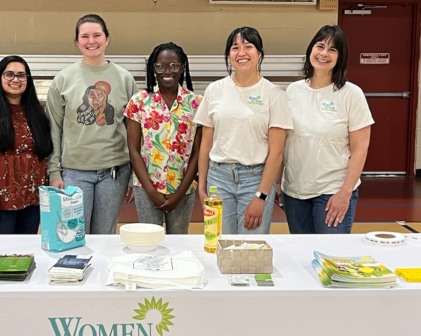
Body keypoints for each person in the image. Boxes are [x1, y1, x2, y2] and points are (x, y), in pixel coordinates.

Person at [195, 27, 293, 235]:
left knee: (251, 249)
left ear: (259, 54)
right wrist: (202, 188)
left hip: (255, 179)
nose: (241, 53)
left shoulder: (274, 94)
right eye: (235, 48)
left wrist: (261, 196)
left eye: (248, 47)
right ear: (228, 55)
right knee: (219, 245)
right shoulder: (215, 90)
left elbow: (276, 152)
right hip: (218, 179)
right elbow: (206, 143)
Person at [46, 14, 138, 235]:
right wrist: (54, 172)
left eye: (97, 35)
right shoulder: (63, 79)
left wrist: (134, 174)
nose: (91, 41)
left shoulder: (125, 79)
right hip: (73, 173)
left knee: (104, 236)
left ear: (107, 39)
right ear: (77, 42)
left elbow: (136, 132)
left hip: (114, 172)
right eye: (84, 36)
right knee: (74, 236)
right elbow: (53, 129)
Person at [280, 25, 373, 234]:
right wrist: (279, 182)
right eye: (320, 46)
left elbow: (361, 148)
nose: (323, 53)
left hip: (332, 191)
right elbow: (284, 141)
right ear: (310, 50)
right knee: (303, 258)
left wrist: (345, 193)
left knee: (332, 260)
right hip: (295, 191)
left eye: (332, 49)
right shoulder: (293, 91)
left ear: (340, 57)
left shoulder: (351, 94)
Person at [0, 56, 53, 234]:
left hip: (32, 197)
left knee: (24, 251)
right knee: (0, 251)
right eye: (9, 74)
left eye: (21, 75)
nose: (16, 80)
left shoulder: (38, 112)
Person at [125, 42, 202, 235]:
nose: (167, 71)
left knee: (179, 242)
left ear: (183, 67)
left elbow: (198, 153)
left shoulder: (197, 103)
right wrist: (150, 191)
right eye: (160, 66)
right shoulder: (139, 101)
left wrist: (180, 193)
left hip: (182, 189)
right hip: (147, 187)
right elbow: (133, 149)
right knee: (150, 242)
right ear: (153, 69)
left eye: (173, 65)